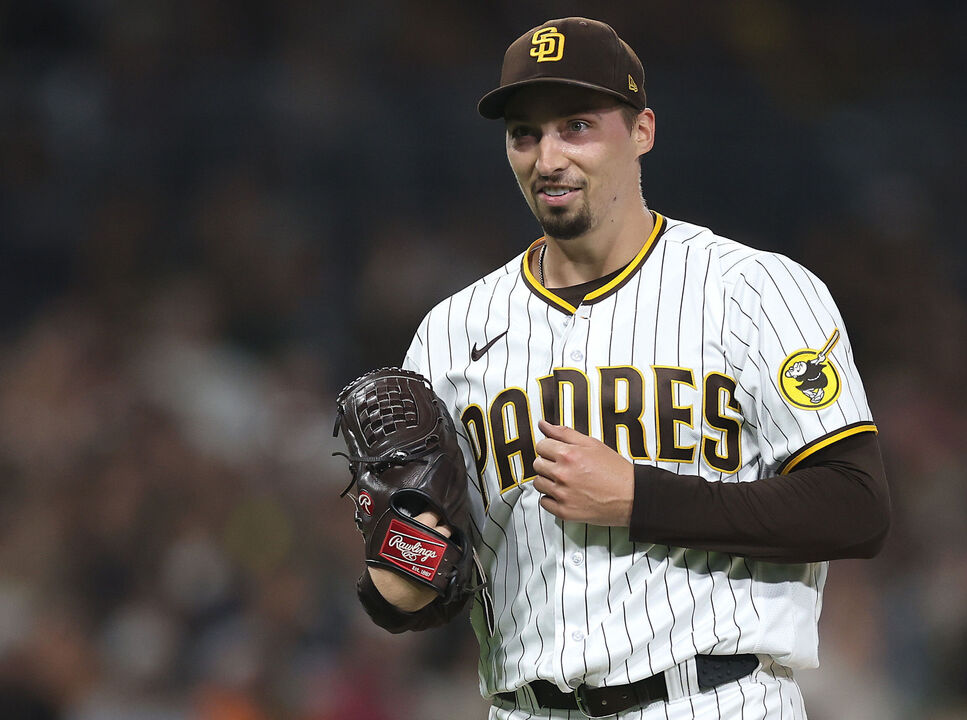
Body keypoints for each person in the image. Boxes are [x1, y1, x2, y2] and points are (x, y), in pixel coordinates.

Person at [353, 16, 890, 719]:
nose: (547, 157)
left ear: (642, 131)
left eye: (576, 126)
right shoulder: (451, 333)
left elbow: (856, 507)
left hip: (713, 699)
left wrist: (641, 499)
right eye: (524, 134)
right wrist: (400, 577)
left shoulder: (757, 291)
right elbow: (430, 590)